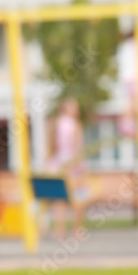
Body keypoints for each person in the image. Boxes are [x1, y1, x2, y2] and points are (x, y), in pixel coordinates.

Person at [45, 98, 89, 240]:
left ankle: (59, 231)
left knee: (60, 200)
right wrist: (80, 167)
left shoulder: (56, 124)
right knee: (79, 197)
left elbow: (51, 147)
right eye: (74, 107)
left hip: (57, 165)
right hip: (72, 165)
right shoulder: (75, 125)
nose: (77, 110)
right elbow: (77, 148)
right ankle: (78, 229)